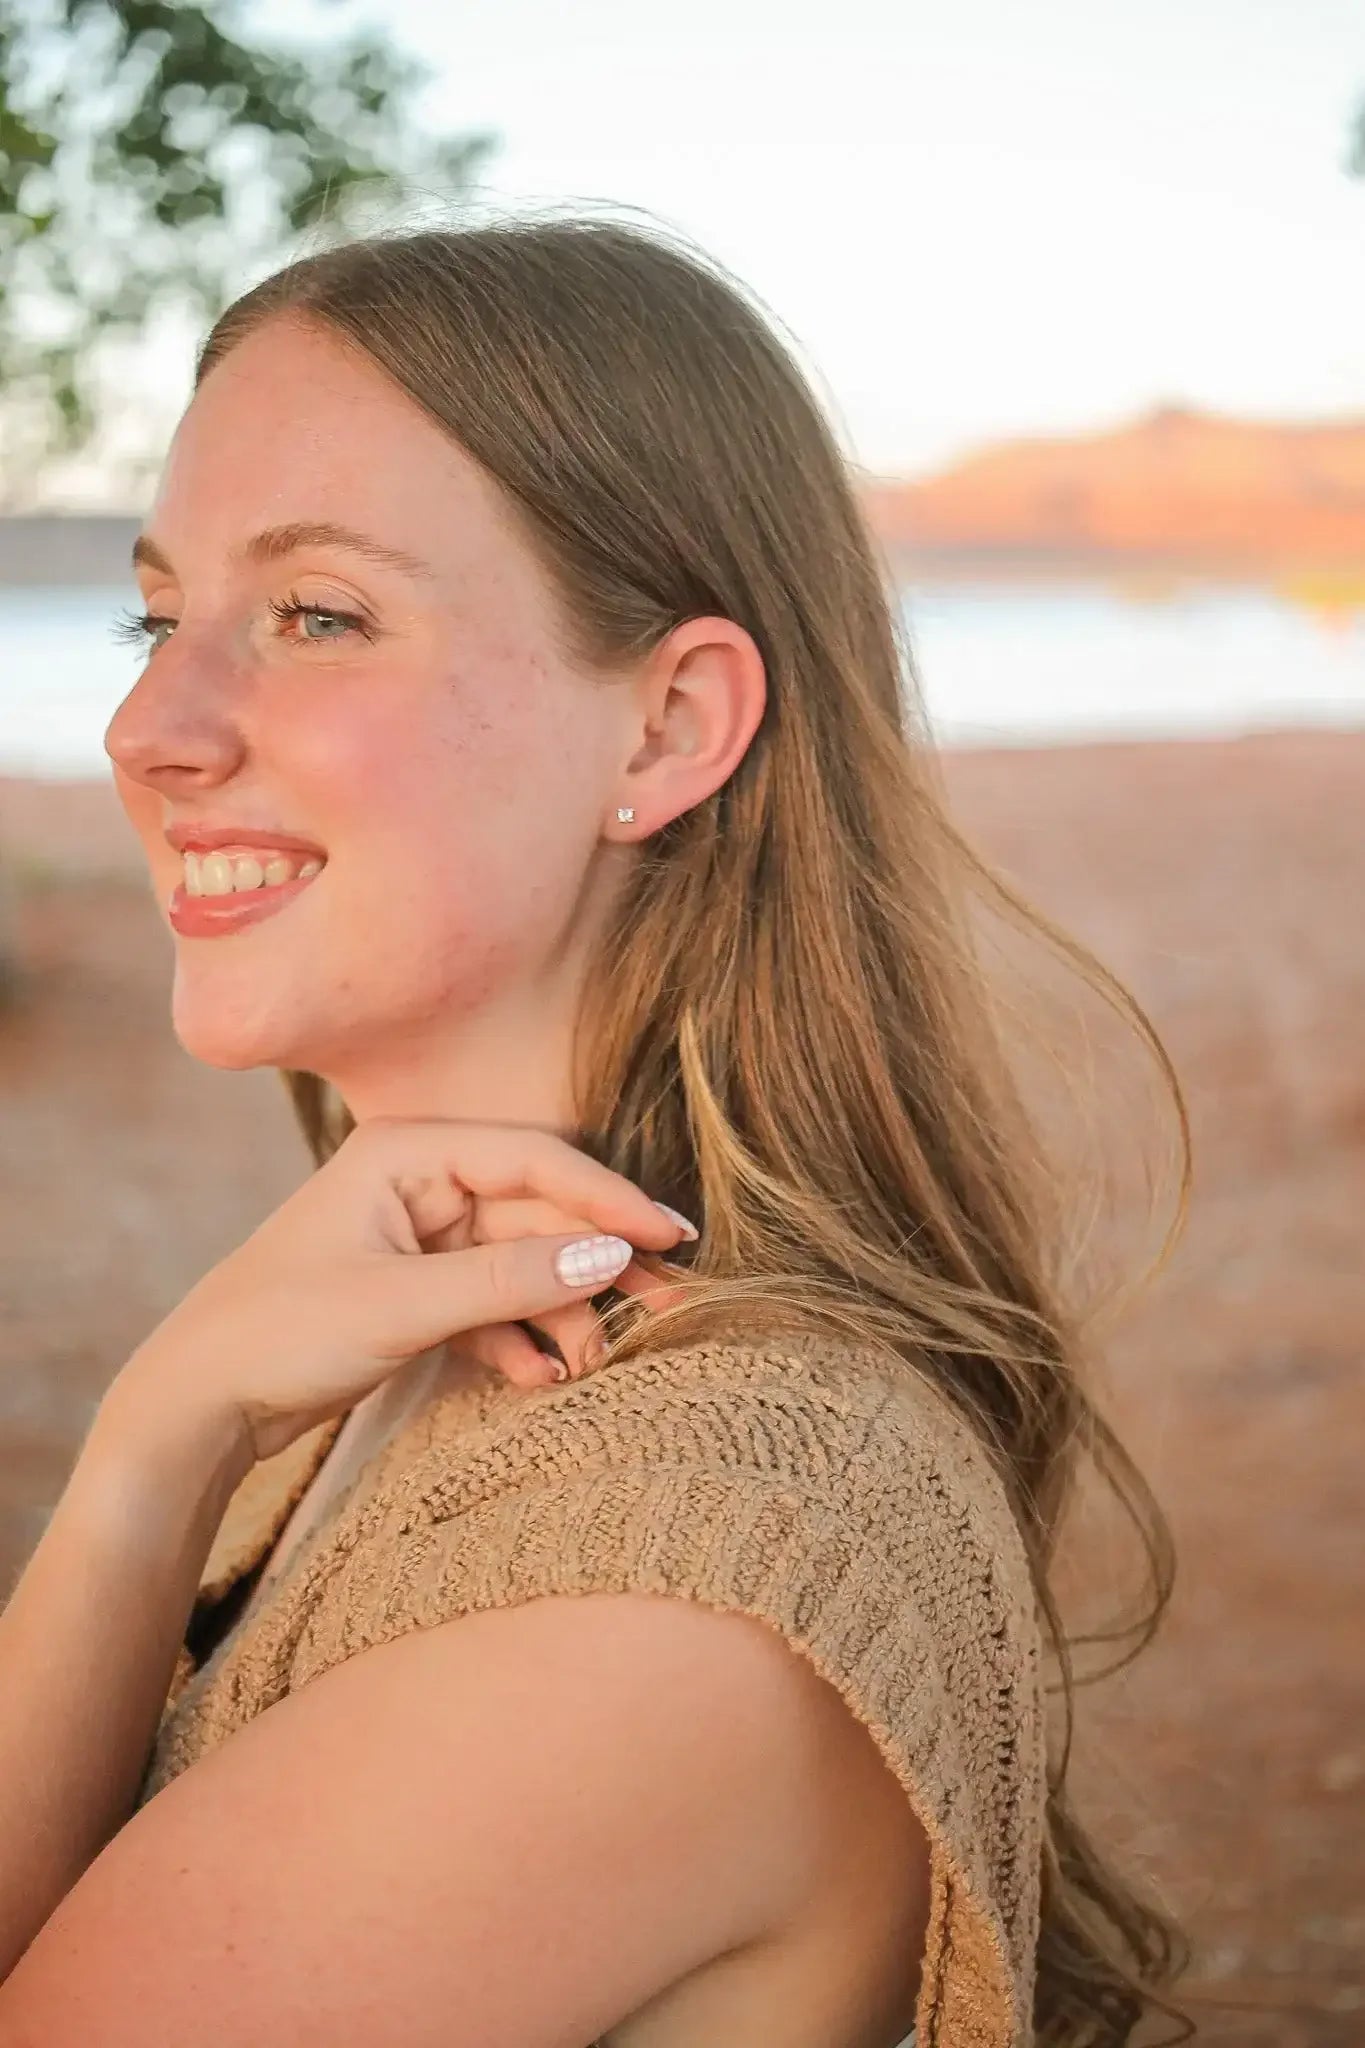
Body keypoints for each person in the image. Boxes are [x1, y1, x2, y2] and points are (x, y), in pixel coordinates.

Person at [0, 208, 1193, 2046]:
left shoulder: (655, 1582)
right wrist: (156, 1449)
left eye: (316, 614)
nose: (150, 723)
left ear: (664, 729)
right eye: (157, 617)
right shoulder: (391, 1347)